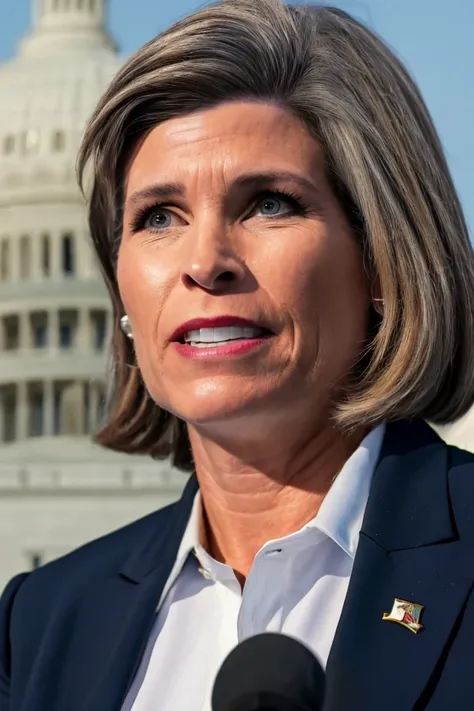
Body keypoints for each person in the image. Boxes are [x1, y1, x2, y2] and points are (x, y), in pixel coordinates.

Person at [1, 1, 474, 709]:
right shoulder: (43, 621)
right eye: (159, 216)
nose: (206, 262)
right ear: (119, 284)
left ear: (382, 259)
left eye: (269, 203)